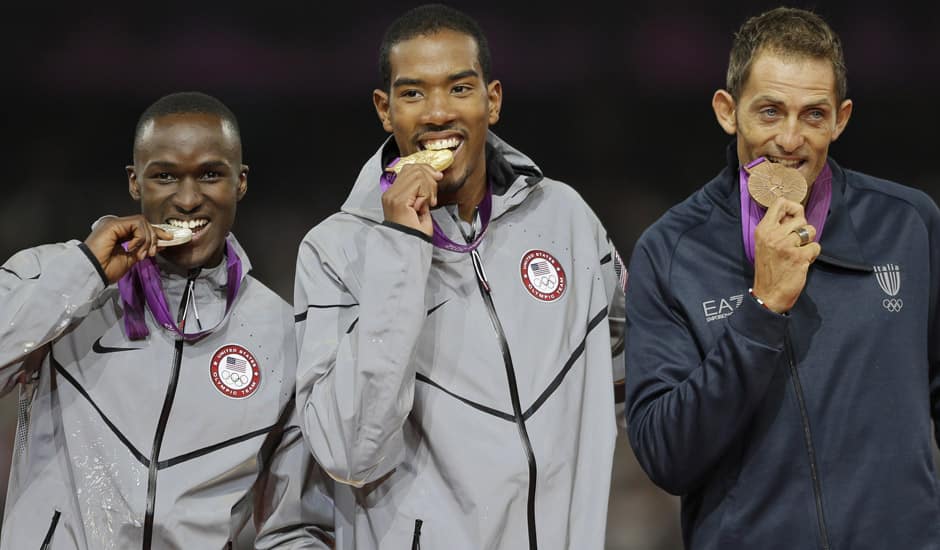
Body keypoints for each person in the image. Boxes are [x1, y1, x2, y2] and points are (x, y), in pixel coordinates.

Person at [293, 4, 626, 549]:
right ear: (385, 110)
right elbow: (351, 452)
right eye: (413, 93)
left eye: (459, 88)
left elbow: (625, 367)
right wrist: (401, 250)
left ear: (491, 101)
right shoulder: (335, 251)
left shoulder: (565, 217)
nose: (438, 113)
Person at [625, 6, 940, 549]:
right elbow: (665, 455)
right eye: (769, 112)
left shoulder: (908, 225)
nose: (790, 139)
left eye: (813, 115)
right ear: (728, 111)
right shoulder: (672, 251)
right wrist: (762, 309)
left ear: (840, 118)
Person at [0, 92, 332, 549]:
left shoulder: (282, 333)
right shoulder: (49, 277)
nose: (189, 198)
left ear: (241, 182)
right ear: (136, 183)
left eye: (211, 174)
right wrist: (86, 273)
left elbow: (293, 525)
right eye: (165, 177)